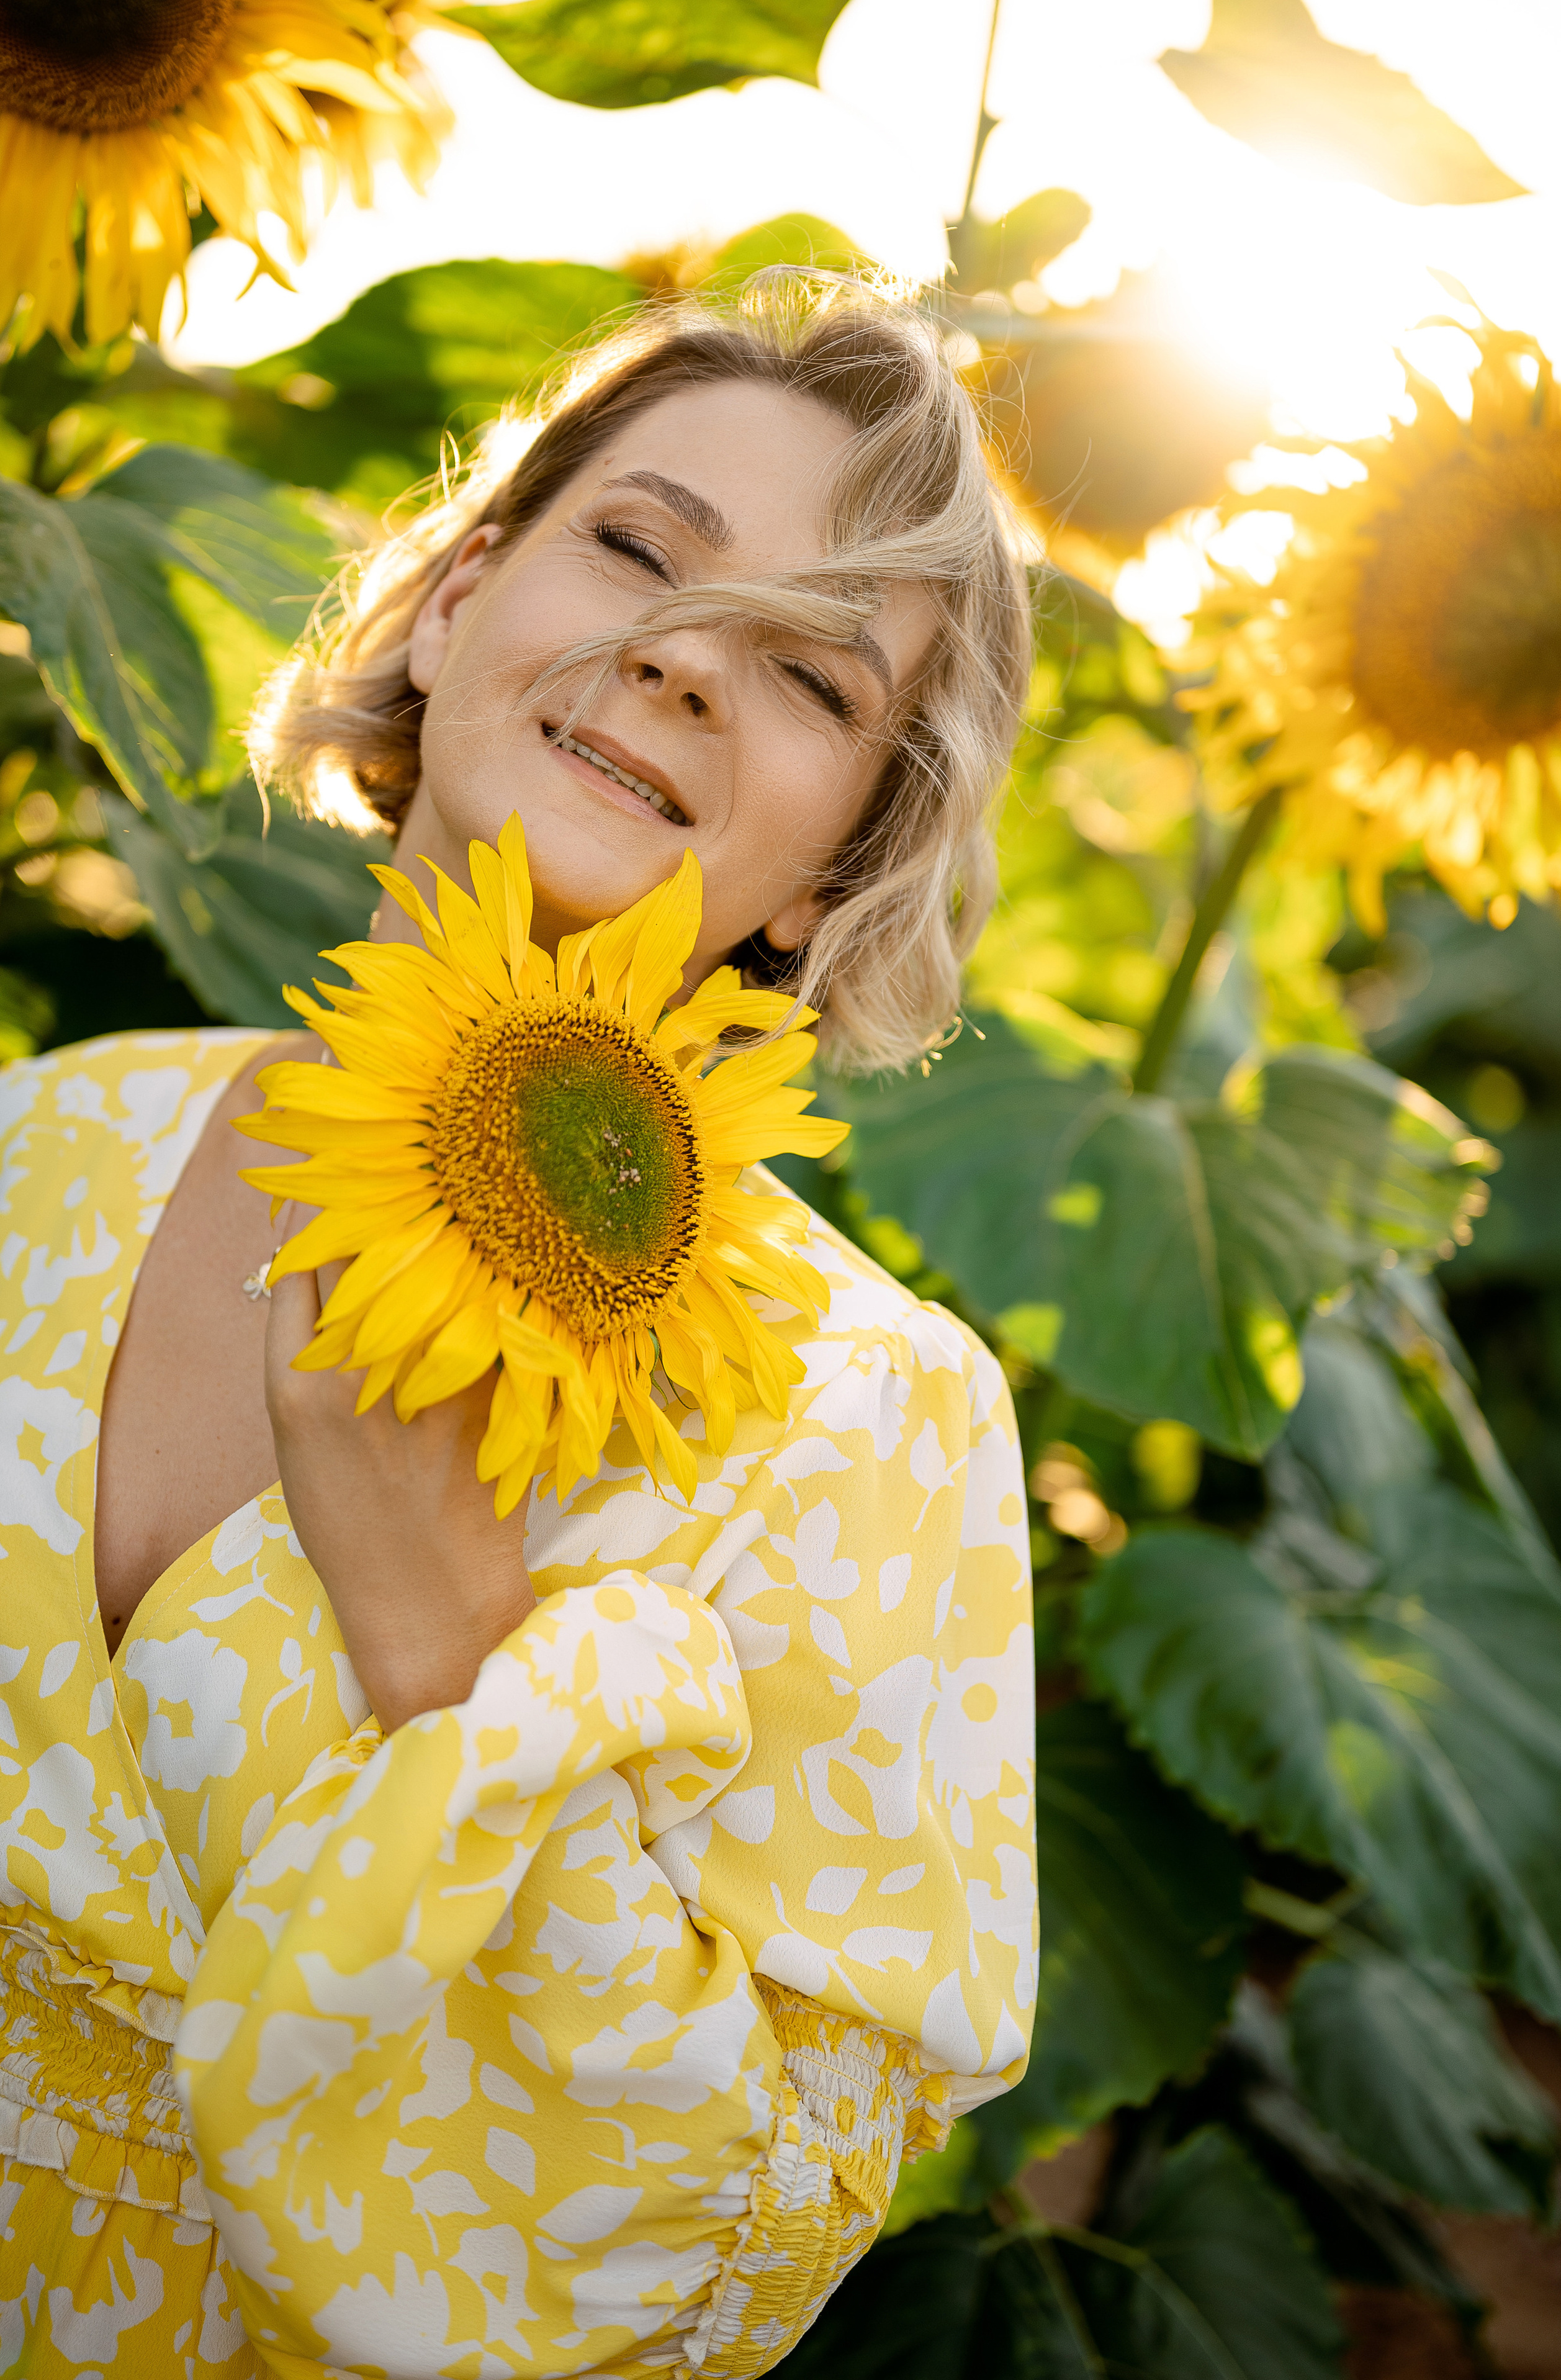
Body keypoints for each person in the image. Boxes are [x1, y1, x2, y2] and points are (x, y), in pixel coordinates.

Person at [0, 274, 1037, 2377]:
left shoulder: (880, 1424)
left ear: (843, 860)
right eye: (638, 550)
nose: (675, 653)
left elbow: (722, 2274)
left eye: (813, 675)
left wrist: (460, 1660)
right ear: (463, 592)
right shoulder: (37, 1138)